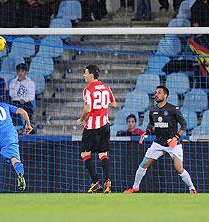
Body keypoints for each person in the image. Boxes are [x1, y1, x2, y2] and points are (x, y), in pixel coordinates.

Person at [124, 86, 196, 193]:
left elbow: (184, 125)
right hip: (158, 143)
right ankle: (135, 187)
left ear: (165, 95)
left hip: (173, 144)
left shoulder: (173, 109)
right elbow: (151, 123)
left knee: (179, 168)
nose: (156, 94)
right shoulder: (153, 109)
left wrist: (176, 138)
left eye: (159, 92)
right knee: (143, 165)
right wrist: (147, 132)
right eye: (155, 92)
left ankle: (192, 188)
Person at [76, 64, 117, 193]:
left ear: (92, 75)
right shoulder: (106, 88)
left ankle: (95, 182)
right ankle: (108, 181)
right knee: (103, 154)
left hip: (92, 127)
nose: (84, 75)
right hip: (105, 125)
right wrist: (103, 105)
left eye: (85, 72)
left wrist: (81, 120)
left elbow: (88, 109)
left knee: (85, 153)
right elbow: (114, 104)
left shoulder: (88, 90)